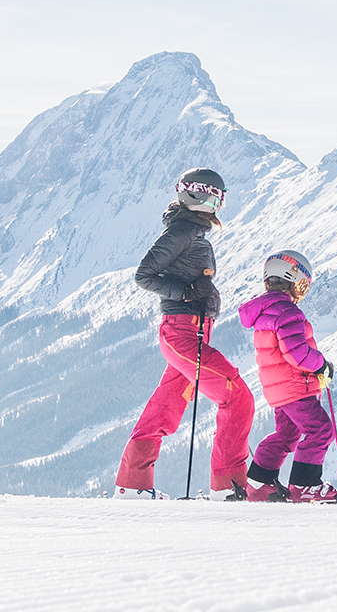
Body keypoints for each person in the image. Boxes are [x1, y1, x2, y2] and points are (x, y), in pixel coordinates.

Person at [114, 168, 257, 500]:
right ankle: (228, 487)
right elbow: (144, 276)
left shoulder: (193, 232)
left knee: (163, 410)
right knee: (238, 397)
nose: (215, 204)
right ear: (195, 195)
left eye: (218, 198)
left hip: (191, 334)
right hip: (181, 335)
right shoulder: (182, 231)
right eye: (211, 197)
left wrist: (196, 294)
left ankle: (132, 485)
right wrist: (186, 292)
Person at [237, 250, 337, 503]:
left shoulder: (265, 311)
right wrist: (321, 365)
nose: (302, 292)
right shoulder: (288, 312)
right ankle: (304, 486)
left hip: (278, 390)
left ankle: (259, 484)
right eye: (302, 285)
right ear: (292, 278)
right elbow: (297, 353)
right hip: (296, 387)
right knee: (320, 430)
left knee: (287, 435)